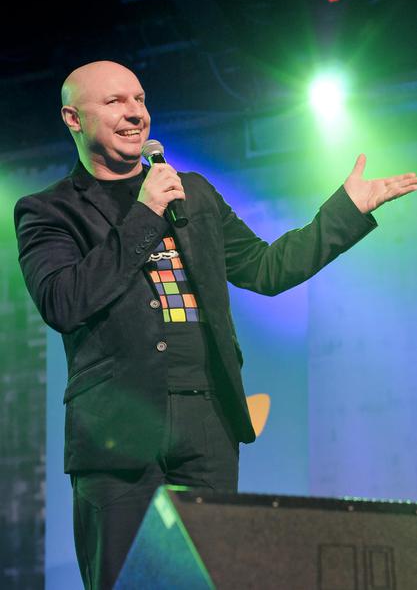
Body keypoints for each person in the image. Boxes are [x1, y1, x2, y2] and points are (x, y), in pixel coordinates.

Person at [14, 60, 417, 589]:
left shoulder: (194, 194)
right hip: (117, 433)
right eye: (115, 102)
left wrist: (345, 212)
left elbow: (267, 269)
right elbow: (63, 302)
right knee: (124, 580)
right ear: (73, 118)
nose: (135, 113)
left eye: (140, 99)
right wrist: (144, 214)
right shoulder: (49, 211)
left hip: (208, 424)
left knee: (206, 578)